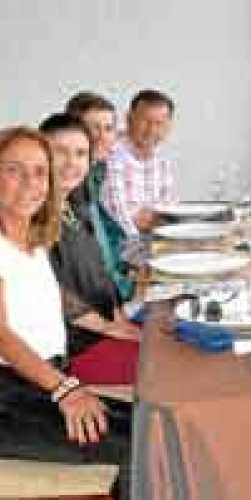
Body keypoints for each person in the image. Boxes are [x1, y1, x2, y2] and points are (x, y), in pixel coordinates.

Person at [0, 126, 130, 498]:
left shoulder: (31, 239)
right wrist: (65, 390)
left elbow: (47, 295)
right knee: (141, 446)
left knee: (151, 427)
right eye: (14, 170)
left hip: (42, 380)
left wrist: (112, 326)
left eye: (40, 171)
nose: (30, 182)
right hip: (11, 396)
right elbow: (3, 334)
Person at [40, 114, 140, 384]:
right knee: (168, 367)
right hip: (75, 347)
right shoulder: (31, 214)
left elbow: (99, 272)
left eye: (81, 153)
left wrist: (119, 318)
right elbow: (46, 290)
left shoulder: (72, 206)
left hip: (104, 329)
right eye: (59, 152)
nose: (72, 163)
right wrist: (111, 328)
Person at [65, 91, 134, 301]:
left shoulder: (95, 172)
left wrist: (134, 267)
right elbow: (89, 262)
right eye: (93, 128)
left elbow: (112, 236)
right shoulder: (68, 186)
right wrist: (129, 287)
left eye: (108, 129)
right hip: (100, 305)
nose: (102, 137)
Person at [101, 89, 178, 236]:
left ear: (168, 127)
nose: (151, 130)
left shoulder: (162, 161)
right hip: (122, 247)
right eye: (145, 121)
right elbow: (119, 216)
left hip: (154, 242)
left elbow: (168, 212)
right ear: (129, 119)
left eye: (159, 123)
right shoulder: (111, 152)